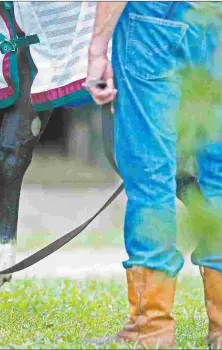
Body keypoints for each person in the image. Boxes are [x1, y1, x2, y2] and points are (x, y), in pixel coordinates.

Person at [85, 2, 222, 348]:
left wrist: (97, 50)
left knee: (150, 175)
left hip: (154, 20)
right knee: (219, 175)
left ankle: (153, 327)